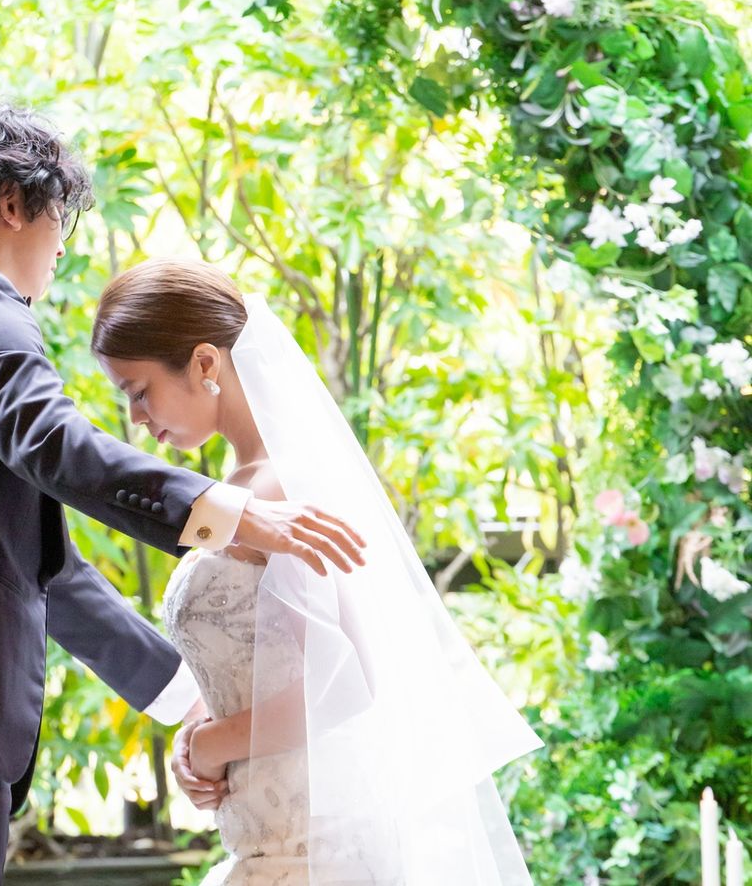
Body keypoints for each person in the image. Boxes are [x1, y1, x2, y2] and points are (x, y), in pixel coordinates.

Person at [0, 97, 367, 886]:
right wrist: (235, 512)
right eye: (60, 220)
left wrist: (191, 707)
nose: (61, 248)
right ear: (15, 203)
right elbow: (56, 446)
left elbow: (50, 571)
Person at [92, 258, 544, 886]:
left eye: (139, 391)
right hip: (269, 834)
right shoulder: (241, 493)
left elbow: (349, 681)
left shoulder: (281, 493)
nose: (136, 417)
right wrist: (197, 740)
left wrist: (214, 744)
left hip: (313, 846)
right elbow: (255, 667)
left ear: (204, 363)